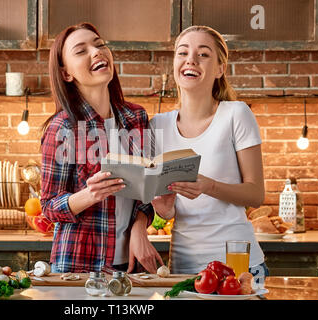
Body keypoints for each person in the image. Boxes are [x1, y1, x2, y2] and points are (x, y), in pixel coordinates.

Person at [41, 22, 163, 274]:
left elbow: (147, 191)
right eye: (81, 50)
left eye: (99, 45)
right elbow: (49, 206)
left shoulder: (136, 117)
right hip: (79, 266)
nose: (96, 52)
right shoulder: (63, 128)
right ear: (66, 74)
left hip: (132, 266)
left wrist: (139, 228)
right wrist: (89, 195)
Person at [150, 25, 269, 284]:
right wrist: (164, 210)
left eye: (203, 54)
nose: (191, 59)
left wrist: (208, 186)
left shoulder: (236, 114)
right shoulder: (157, 125)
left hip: (238, 268)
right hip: (184, 268)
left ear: (219, 69)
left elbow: (256, 194)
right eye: (183, 53)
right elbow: (167, 210)